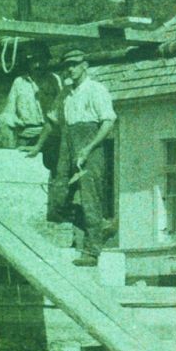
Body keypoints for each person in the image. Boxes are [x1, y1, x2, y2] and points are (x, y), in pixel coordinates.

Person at [43, 47, 115, 266]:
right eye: (67, 66)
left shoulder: (96, 89)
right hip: (68, 142)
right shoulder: (65, 93)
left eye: (74, 65)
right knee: (59, 195)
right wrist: (37, 147)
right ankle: (101, 228)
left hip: (90, 144)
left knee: (90, 197)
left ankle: (92, 251)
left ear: (85, 66)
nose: (70, 69)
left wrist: (88, 148)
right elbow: (53, 120)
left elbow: (108, 122)